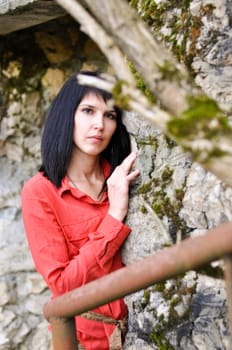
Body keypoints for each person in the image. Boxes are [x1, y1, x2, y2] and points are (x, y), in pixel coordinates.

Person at [21, 71, 140, 350]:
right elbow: (63, 286)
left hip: (142, 332)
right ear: (67, 116)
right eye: (88, 111)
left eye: (110, 115)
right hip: (85, 341)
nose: (99, 124)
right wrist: (114, 217)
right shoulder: (40, 192)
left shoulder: (124, 178)